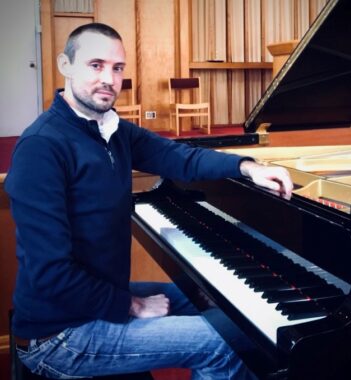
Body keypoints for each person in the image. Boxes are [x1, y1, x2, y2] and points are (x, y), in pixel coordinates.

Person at [5, 23, 293, 379]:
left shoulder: (111, 129)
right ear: (66, 64)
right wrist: (133, 304)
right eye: (96, 65)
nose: (109, 78)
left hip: (95, 297)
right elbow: (50, 274)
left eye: (118, 68)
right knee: (227, 343)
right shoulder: (43, 147)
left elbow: (180, 157)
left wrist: (247, 166)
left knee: (217, 300)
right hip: (60, 333)